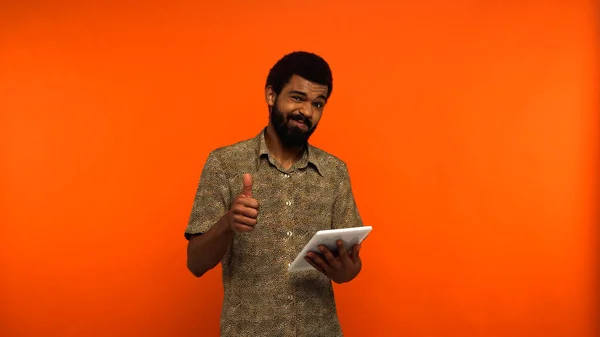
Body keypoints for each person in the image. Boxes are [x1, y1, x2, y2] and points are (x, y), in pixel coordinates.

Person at [184, 51, 365, 337]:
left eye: (318, 103)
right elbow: (195, 263)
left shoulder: (335, 172)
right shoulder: (225, 163)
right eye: (297, 98)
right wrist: (227, 224)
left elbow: (349, 270)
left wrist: (345, 270)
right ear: (271, 95)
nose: (307, 111)